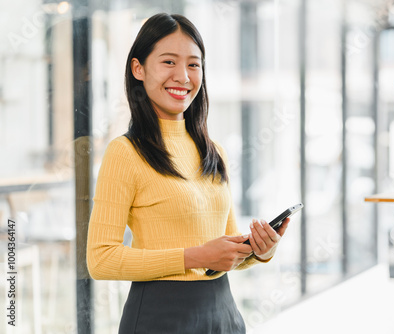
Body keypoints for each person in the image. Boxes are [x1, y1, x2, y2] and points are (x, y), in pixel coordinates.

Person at [86, 13, 290, 334]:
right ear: (138, 69)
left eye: (194, 65)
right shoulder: (125, 152)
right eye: (169, 62)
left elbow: (226, 252)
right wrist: (195, 256)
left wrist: (261, 250)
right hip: (160, 318)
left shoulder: (213, 151)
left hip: (223, 314)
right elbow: (100, 260)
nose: (183, 76)